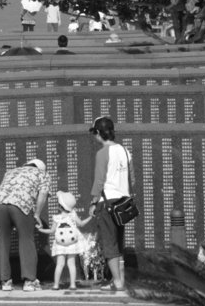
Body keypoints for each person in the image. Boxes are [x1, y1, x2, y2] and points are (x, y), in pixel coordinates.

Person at [0, 159, 50, 292]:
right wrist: (37, 214)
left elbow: (3, 190)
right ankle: (29, 281)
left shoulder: (11, 171)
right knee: (26, 239)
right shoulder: (42, 173)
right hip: (20, 203)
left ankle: (5, 281)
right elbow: (43, 193)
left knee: (2, 240)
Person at [88, 116, 135, 292]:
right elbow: (132, 178)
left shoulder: (102, 153)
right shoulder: (125, 151)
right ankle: (120, 279)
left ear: (99, 133)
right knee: (118, 242)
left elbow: (99, 181)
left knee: (109, 244)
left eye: (94, 133)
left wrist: (93, 202)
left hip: (107, 202)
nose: (94, 137)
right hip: (123, 202)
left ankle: (117, 282)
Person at [38, 191, 92, 290]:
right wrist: (90, 217)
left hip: (60, 244)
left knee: (59, 264)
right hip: (72, 244)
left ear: (60, 206)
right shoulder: (73, 215)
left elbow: (52, 231)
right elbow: (81, 224)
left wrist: (41, 230)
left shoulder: (57, 218)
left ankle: (56, 285)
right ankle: (73, 285)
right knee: (71, 264)